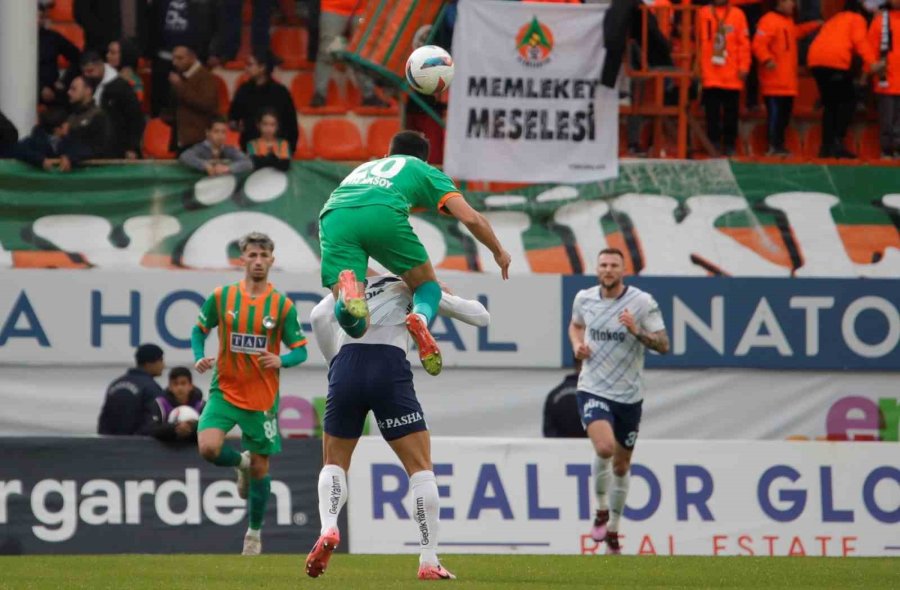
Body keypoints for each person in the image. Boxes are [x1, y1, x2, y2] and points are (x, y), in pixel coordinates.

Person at [305, 274, 490, 580]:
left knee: (334, 463)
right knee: (420, 468)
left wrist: (334, 364)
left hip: (347, 364)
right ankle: (429, 560)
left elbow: (318, 317)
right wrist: (440, 292)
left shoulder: (355, 283)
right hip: (389, 366)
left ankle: (329, 527)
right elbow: (481, 317)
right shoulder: (411, 282)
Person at [318, 130, 511, 376]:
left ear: (387, 154)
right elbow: (470, 218)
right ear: (425, 160)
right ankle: (420, 317)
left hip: (333, 215)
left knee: (358, 326)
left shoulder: (365, 168)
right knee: (426, 285)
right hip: (383, 211)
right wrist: (499, 251)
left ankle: (349, 295)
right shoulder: (421, 169)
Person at [191, 232, 309, 556]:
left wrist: (281, 359)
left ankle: (253, 536)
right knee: (208, 448)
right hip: (225, 391)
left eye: (264, 256)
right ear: (241, 259)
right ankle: (239, 463)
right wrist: (198, 353)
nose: (258, 261)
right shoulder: (222, 297)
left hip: (261, 399)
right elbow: (199, 329)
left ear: (272, 260)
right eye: (252, 255)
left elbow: (301, 351)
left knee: (261, 469)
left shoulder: (282, 306)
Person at [568, 248, 669, 555]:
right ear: (596, 269)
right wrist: (577, 346)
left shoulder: (642, 302)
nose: (608, 270)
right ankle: (601, 509)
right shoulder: (584, 298)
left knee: (622, 466)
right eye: (603, 265)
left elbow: (664, 345)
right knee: (604, 448)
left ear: (623, 270)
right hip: (593, 387)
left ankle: (613, 529)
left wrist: (636, 330)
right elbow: (576, 326)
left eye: (614, 265)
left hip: (629, 396)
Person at [808, 0, 883, 158]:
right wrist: (872, 62)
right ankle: (837, 143)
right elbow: (860, 41)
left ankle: (826, 146)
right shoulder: (857, 19)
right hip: (835, 62)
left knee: (831, 105)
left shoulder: (836, 18)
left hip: (816, 61)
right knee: (847, 101)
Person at [752, 0, 822, 155]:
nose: (793, 5)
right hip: (773, 82)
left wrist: (814, 25)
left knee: (783, 118)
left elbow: (795, 32)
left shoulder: (788, 22)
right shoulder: (768, 20)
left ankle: (779, 145)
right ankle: (773, 146)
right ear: (779, 3)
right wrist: (767, 59)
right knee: (775, 117)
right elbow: (758, 44)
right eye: (790, 2)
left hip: (788, 82)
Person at [696, 0, 751, 155]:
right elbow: (696, 41)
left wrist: (744, 67)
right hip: (710, 73)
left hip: (732, 74)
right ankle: (712, 144)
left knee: (731, 115)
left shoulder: (738, 14)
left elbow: (744, 44)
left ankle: (729, 144)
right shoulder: (702, 13)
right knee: (711, 113)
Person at [311, 0, 388, 108]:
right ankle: (319, 94)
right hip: (333, 7)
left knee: (363, 53)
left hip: (362, 9)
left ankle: (369, 95)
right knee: (326, 53)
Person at [228, 51, 299, 153]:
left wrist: (287, 151)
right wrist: (235, 125)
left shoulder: (280, 92)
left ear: (262, 67)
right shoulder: (243, 90)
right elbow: (233, 117)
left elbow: (291, 125)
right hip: (249, 149)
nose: (246, 68)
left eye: (250, 65)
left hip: (276, 151)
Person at [80, 51, 145, 159]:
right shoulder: (87, 84)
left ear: (100, 64)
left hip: (119, 148)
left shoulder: (120, 87)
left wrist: (132, 147)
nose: (87, 75)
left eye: (90, 71)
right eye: (85, 72)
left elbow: (136, 118)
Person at [97, 344, 166, 436]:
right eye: (161, 360)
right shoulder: (151, 388)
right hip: (137, 447)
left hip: (110, 446)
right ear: (149, 363)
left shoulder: (115, 384)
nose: (163, 365)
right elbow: (152, 424)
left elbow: (104, 421)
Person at [166, 45, 220, 152]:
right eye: (174, 58)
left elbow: (206, 104)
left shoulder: (206, 77)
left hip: (198, 139)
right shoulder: (179, 76)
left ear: (193, 57)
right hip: (180, 137)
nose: (175, 62)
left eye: (180, 58)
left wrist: (180, 86)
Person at [868, 0, 900, 158]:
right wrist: (872, 68)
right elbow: (870, 49)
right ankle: (887, 152)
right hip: (886, 81)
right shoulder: (880, 20)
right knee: (888, 123)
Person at [14, 106, 90, 171]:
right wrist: (40, 160)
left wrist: (69, 157)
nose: (69, 125)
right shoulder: (36, 140)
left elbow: (85, 150)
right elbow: (20, 149)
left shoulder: (71, 138)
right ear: (57, 129)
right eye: (66, 123)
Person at [38, 3, 81, 107]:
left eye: (40, 17)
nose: (37, 21)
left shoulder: (52, 37)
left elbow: (78, 57)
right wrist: (40, 88)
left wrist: (64, 81)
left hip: (52, 95)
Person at [179, 116, 253, 175]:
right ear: (208, 133)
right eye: (216, 131)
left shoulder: (228, 149)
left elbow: (248, 163)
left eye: (223, 132)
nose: (220, 136)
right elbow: (185, 156)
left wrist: (228, 168)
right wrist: (205, 165)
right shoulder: (200, 148)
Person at [152, 367, 206, 444]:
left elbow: (210, 428)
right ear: (170, 387)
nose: (179, 388)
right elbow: (153, 429)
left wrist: (191, 428)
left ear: (191, 386)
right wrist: (175, 427)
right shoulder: (160, 405)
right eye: (175, 384)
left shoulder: (201, 406)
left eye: (183, 383)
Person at [67, 75, 113, 159]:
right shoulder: (71, 117)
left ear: (88, 90)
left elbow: (99, 148)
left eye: (74, 89)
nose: (69, 92)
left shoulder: (99, 116)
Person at [542, 359, 587, 438]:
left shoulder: (553, 395)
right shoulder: (597, 396)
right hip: (589, 447)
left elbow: (548, 431)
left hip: (559, 448)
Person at [106, 38, 145, 103]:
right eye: (108, 52)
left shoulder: (135, 82)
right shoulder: (105, 73)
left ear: (124, 55)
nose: (107, 55)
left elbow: (136, 105)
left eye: (113, 53)